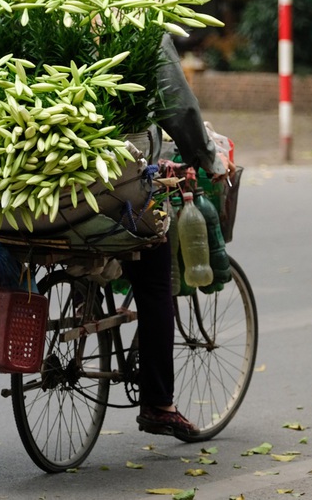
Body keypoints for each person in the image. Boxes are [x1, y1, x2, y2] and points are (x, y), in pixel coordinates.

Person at [120, 34, 228, 440]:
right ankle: (159, 406)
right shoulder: (141, 26)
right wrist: (206, 157)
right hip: (116, 178)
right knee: (155, 279)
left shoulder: (62, 15)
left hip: (56, 178)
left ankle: (83, 301)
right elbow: (178, 107)